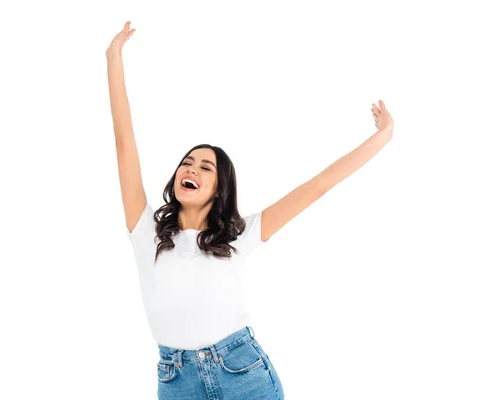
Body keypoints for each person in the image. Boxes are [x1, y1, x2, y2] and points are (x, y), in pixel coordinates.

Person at [106, 21, 394, 400]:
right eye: (187, 162)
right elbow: (125, 144)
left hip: (242, 373)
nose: (190, 169)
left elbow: (318, 186)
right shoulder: (146, 232)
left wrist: (383, 136)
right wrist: (113, 58)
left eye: (205, 167)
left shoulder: (239, 235)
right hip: (178, 382)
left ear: (219, 189)